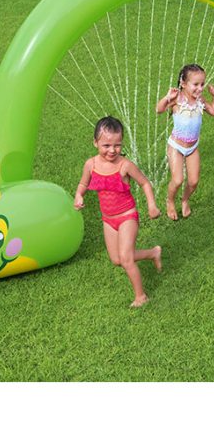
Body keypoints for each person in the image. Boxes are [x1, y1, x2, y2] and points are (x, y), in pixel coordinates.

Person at [73, 117, 162, 307]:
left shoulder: (124, 165)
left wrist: (152, 205)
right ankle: (153, 253)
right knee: (116, 259)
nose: (112, 150)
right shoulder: (91, 165)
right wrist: (79, 195)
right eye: (106, 145)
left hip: (127, 216)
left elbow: (145, 183)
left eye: (117, 145)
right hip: (108, 219)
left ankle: (141, 297)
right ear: (95, 142)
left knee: (126, 259)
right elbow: (83, 184)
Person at [156, 63, 214, 220]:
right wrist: (167, 97)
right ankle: (170, 201)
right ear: (183, 84)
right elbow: (159, 109)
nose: (199, 88)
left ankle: (185, 200)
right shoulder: (177, 99)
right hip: (176, 146)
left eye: (202, 84)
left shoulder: (200, 100)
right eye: (195, 84)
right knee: (177, 180)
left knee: (193, 181)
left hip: (192, 147)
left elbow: (213, 111)